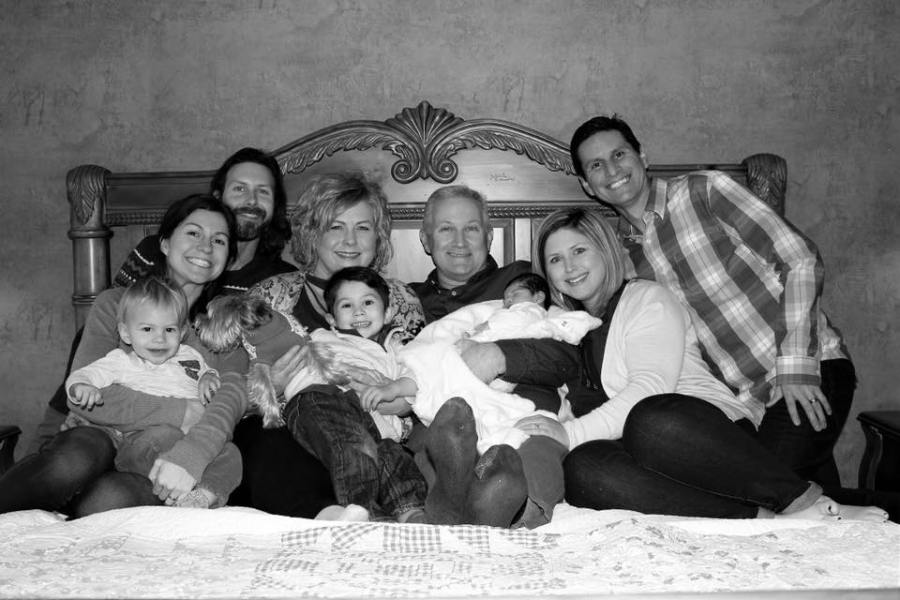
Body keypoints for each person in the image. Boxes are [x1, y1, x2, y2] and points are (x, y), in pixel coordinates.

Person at [459, 207, 887, 522]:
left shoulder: (646, 297)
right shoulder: (568, 328)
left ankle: (800, 500)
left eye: (579, 250)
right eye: (555, 260)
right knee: (583, 469)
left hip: (698, 436)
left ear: (605, 250)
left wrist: (568, 433)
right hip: (642, 453)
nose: (569, 267)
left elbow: (649, 389)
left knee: (651, 418)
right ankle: (761, 518)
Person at [568, 115, 852, 488]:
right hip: (742, 407)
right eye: (596, 165)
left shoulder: (704, 192)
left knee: (759, 493)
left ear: (642, 155)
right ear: (587, 184)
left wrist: (796, 365)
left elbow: (799, 259)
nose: (612, 170)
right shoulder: (622, 260)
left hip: (805, 369)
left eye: (619, 154)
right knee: (816, 504)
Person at [30, 147, 297, 454]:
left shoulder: (271, 288)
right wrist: (69, 415)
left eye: (263, 191)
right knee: (72, 453)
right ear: (165, 244)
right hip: (101, 416)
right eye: (239, 189)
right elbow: (110, 329)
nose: (251, 200)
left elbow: (237, 382)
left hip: (182, 434)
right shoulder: (138, 272)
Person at [0, 194, 243, 517]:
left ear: (228, 259)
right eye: (193, 233)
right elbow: (85, 396)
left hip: (160, 453)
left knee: (108, 501)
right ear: (165, 243)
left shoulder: (223, 331)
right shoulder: (115, 304)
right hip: (98, 437)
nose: (206, 247)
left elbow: (227, 402)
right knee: (71, 462)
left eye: (219, 240)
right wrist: (182, 410)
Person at [64, 276, 240, 509]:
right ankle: (174, 492)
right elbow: (84, 375)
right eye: (147, 329)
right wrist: (82, 387)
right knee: (163, 437)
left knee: (230, 453)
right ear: (126, 333)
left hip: (191, 441)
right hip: (141, 439)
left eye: (169, 329)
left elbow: (208, 372)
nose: (159, 338)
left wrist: (208, 378)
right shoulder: (121, 361)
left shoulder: (189, 355)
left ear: (182, 332)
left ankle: (203, 496)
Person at [411, 185, 532, 323]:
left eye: (471, 228)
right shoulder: (404, 299)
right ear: (425, 240)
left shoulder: (526, 280)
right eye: (446, 229)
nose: (460, 242)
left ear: (488, 237)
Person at [416, 272, 601, 347]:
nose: (508, 300)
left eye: (515, 294)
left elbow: (511, 322)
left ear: (538, 297)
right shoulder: (415, 294)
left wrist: (479, 334)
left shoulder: (529, 309)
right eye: (505, 298)